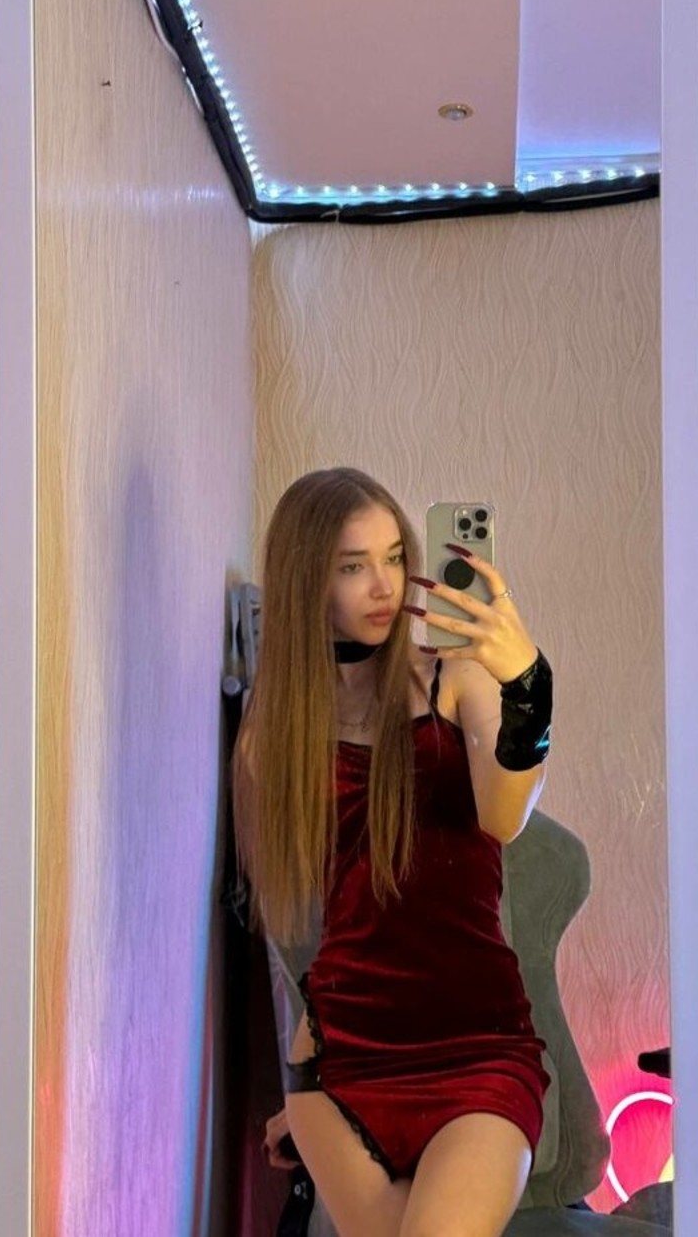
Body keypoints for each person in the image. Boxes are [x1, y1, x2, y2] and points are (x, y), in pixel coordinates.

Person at [233, 467, 553, 1237]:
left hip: (477, 1049)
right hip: (339, 1066)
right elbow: (295, 917)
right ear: (305, 580)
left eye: (394, 556)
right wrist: (296, 1100)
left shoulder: (457, 679)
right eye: (353, 565)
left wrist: (528, 685)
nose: (385, 585)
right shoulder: (274, 726)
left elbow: (505, 815)